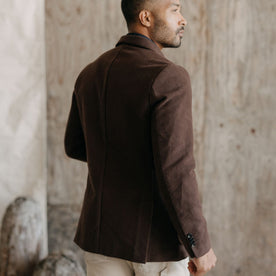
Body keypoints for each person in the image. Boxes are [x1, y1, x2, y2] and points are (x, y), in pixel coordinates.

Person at [64, 0, 217, 275]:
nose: (183, 20)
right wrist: (200, 246)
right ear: (146, 17)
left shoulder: (89, 74)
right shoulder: (169, 76)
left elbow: (75, 146)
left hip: (101, 241)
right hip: (156, 246)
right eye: (174, 9)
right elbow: (177, 170)